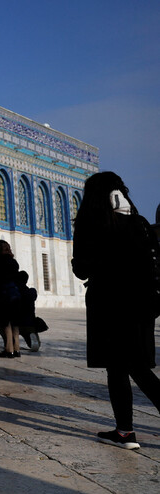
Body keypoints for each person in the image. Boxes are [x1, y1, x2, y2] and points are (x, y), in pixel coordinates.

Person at [71, 171, 160, 450]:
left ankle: (125, 431)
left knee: (118, 368)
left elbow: (81, 267)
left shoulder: (91, 222)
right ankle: (124, 433)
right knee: (139, 367)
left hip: (108, 304)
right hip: (142, 304)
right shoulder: (141, 223)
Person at [0, 240, 21, 358]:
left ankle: (9, 350)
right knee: (15, 323)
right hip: (15, 294)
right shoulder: (14, 262)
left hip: (3, 295)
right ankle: (17, 349)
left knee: (5, 323)